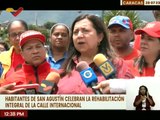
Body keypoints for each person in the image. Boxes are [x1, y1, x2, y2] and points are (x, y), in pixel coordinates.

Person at [57, 14, 134, 94]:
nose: (79, 35)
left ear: (100, 37)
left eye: (85, 31)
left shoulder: (117, 65)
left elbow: (133, 93)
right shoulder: (65, 68)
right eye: (75, 32)